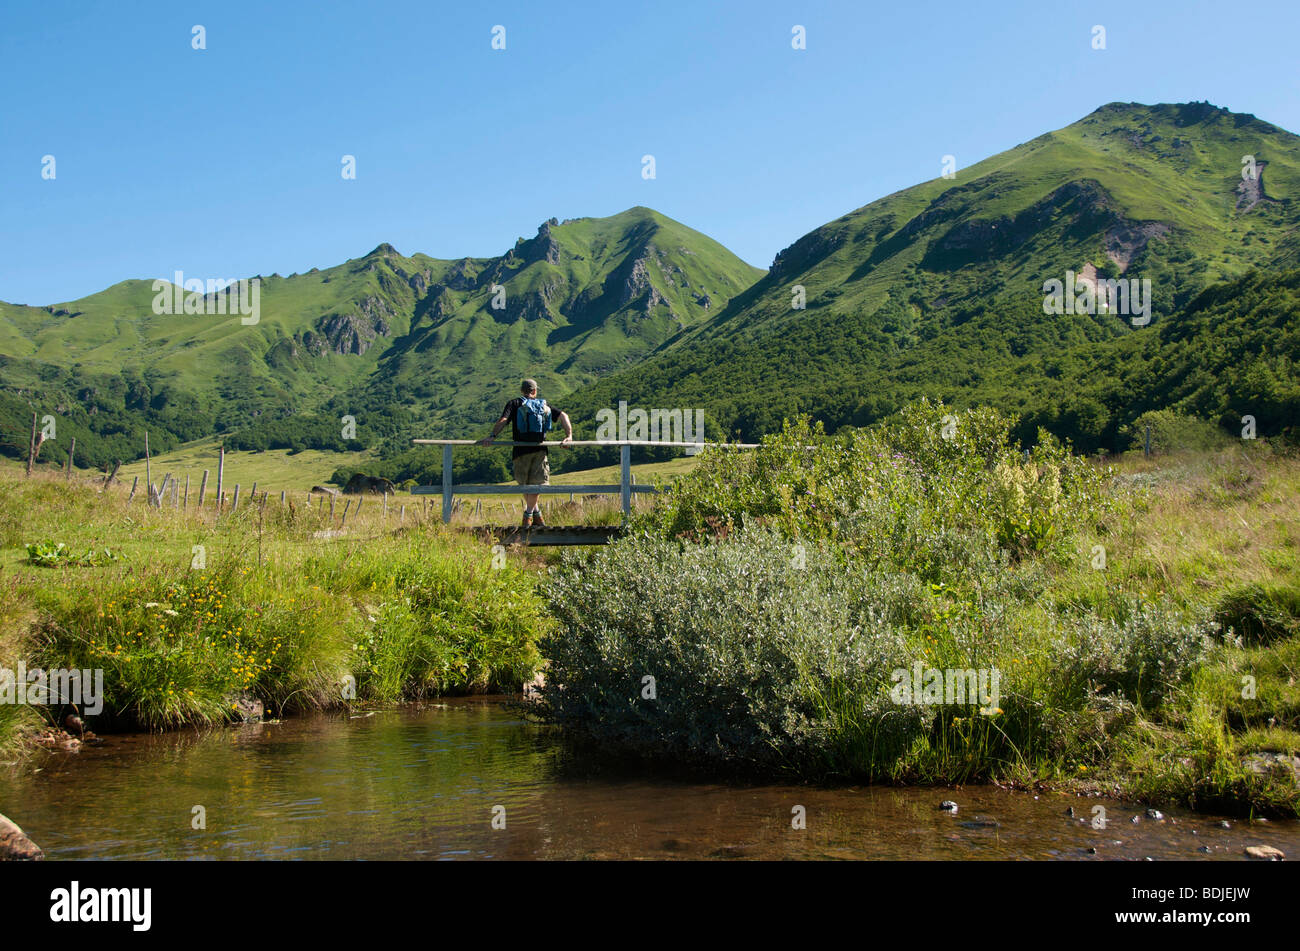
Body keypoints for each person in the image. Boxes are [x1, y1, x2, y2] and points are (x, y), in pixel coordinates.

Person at [479, 378, 572, 528]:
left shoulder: (515, 403)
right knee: (537, 485)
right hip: (540, 450)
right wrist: (569, 436)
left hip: (520, 451)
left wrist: (492, 436)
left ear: (522, 391)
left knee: (525, 485)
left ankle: (528, 515)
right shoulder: (543, 405)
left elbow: (503, 420)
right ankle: (536, 515)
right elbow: (564, 416)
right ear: (535, 391)